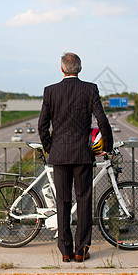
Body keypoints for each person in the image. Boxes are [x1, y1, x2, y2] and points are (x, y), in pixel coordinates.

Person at [38, 52, 113, 263]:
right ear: (80, 68)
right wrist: (106, 145)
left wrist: (50, 148)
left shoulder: (50, 91)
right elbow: (102, 120)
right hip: (83, 155)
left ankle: (65, 251)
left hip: (60, 155)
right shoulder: (90, 89)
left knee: (63, 203)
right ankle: (82, 250)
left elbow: (42, 125)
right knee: (84, 201)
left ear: (62, 69)